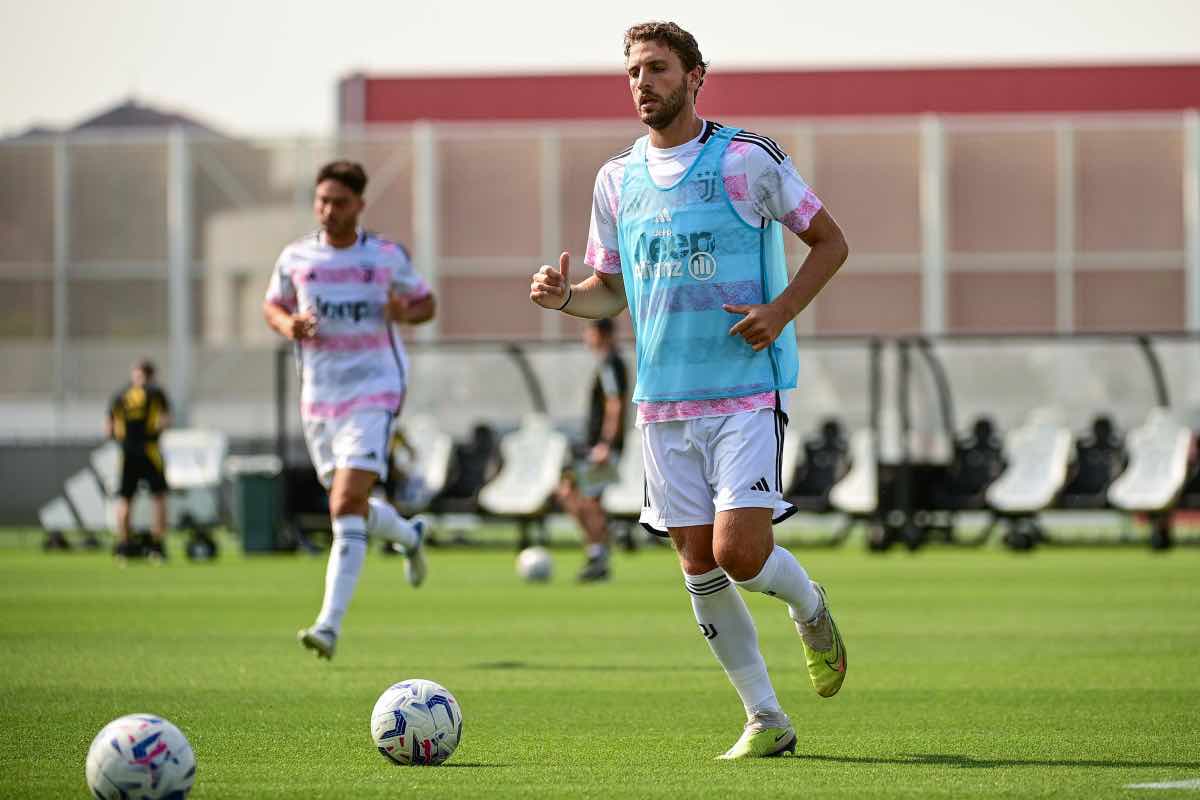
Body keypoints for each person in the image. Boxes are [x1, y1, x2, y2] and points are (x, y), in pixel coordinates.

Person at [529, 21, 850, 759]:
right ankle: (765, 718)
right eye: (634, 71)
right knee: (697, 560)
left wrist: (780, 311)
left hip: (742, 391)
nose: (644, 82)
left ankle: (809, 608)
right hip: (661, 404)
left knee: (741, 551)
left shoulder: (747, 158)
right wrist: (563, 299)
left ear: (696, 76)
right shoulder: (616, 179)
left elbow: (831, 241)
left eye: (659, 69)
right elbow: (609, 290)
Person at [263, 160, 435, 661]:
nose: (328, 210)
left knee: (342, 505)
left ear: (359, 205)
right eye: (322, 201)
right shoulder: (296, 257)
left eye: (339, 202)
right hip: (320, 398)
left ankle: (328, 626)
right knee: (351, 506)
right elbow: (271, 305)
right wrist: (288, 324)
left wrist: (403, 311)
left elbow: (428, 304)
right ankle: (408, 534)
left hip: (375, 390)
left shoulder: (384, 256)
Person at [557, 318, 629, 582]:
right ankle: (599, 546)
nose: (586, 337)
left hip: (601, 447)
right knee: (570, 493)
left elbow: (615, 405)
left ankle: (598, 554)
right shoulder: (607, 363)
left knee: (587, 500)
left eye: (589, 332)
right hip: (593, 445)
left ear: (602, 334)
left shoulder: (611, 363)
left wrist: (606, 445)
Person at [106, 359, 171, 561]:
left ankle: (124, 545)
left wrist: (122, 441)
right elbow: (165, 420)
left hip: (126, 452)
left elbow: (108, 428)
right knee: (158, 497)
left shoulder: (119, 395)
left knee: (125, 498)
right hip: (149, 450)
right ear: (151, 375)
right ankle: (156, 545)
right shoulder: (155, 393)